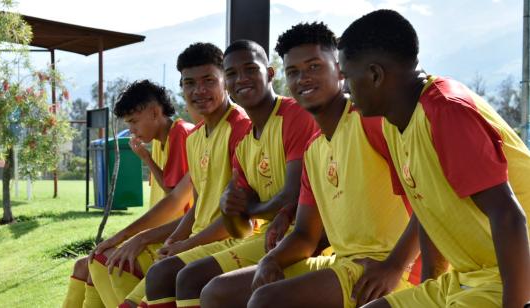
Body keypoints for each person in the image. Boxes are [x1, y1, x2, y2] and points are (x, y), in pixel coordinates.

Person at [200, 22, 418, 308]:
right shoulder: (314, 148)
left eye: (314, 66)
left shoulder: (371, 121)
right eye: (293, 71)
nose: (303, 78)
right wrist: (271, 260)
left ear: (340, 69)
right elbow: (304, 235)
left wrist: (394, 266)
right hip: (343, 263)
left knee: (266, 300)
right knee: (217, 292)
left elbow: (430, 200)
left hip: (389, 266)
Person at [337, 9, 530, 308]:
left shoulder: (446, 110)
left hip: (513, 277)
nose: (345, 89)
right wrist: (428, 288)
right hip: (467, 277)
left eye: (347, 77)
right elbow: (428, 209)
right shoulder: (393, 122)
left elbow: (508, 216)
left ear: (375, 75)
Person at [147, 39, 318, 308]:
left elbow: (289, 196)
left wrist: (249, 209)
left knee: (193, 282)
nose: (241, 79)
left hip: (300, 239)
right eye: (232, 74)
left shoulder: (294, 115)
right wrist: (233, 210)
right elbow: (239, 223)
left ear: (270, 73)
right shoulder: (244, 142)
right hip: (264, 239)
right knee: (157, 274)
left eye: (250, 69)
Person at [127, 42, 251, 308]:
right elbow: (198, 205)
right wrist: (174, 239)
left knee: (162, 276)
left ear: (225, 82)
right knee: (113, 275)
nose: (199, 91)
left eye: (209, 81)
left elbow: (243, 215)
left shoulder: (242, 129)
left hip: (230, 240)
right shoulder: (194, 138)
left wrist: (186, 244)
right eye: (189, 83)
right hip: (197, 239)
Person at [62, 80, 193, 308]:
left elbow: (176, 200)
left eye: (133, 121)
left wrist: (129, 237)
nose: (131, 130)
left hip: (182, 233)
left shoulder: (181, 134)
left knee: (103, 262)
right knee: (87, 263)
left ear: (154, 112)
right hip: (169, 231)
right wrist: (148, 159)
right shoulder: (163, 140)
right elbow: (172, 189)